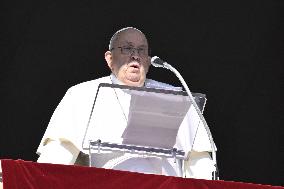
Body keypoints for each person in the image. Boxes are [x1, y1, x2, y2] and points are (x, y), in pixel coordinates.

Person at [36, 27, 216, 179]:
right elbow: (57, 156)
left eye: (141, 50)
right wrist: (38, 179)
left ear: (148, 59)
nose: (135, 56)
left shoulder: (175, 96)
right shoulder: (82, 94)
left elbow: (198, 159)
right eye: (127, 49)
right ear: (110, 58)